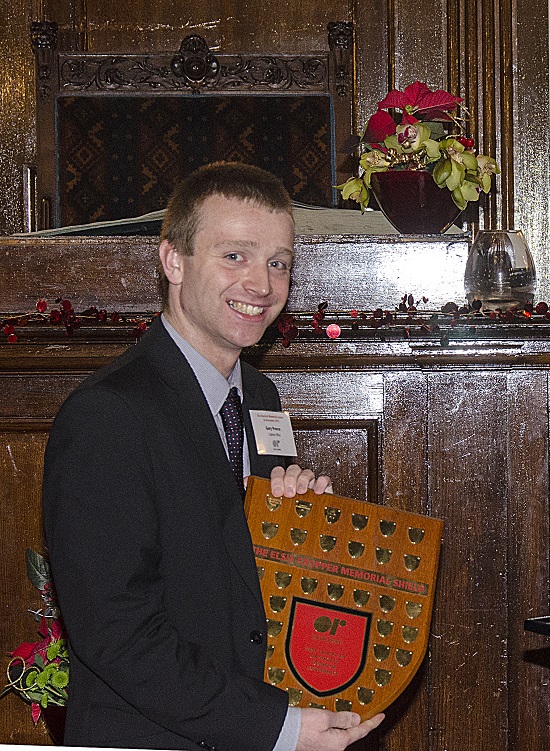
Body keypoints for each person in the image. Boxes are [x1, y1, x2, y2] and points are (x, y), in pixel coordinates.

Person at [42, 162, 384, 751]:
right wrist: (277, 727)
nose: (261, 284)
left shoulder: (260, 397)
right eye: (235, 256)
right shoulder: (107, 414)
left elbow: (241, 575)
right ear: (173, 260)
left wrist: (296, 530)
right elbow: (116, 632)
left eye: (278, 262)